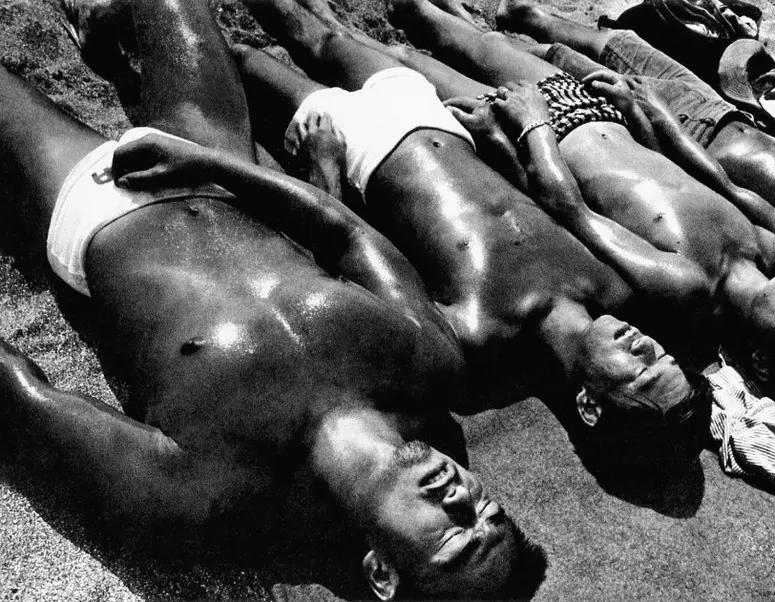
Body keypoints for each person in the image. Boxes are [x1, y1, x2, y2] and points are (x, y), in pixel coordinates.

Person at [0, 0, 548, 599]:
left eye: (454, 538)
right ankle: (102, 32)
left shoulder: (211, 491)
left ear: (381, 572)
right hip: (222, 166)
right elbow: (346, 235)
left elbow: (26, 396)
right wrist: (208, 163)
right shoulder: (428, 368)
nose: (462, 500)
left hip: (97, 207)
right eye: (488, 511)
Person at [218, 0, 718, 466]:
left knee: (238, 59)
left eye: (641, 372)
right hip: (444, 125)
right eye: (663, 354)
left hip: (359, 153)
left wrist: (323, 167)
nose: (645, 346)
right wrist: (501, 139)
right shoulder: (615, 286)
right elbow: (557, 202)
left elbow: (352, 261)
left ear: (590, 406)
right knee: (325, 35)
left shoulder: (478, 346)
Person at [364, 0, 775, 400]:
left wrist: (530, 125)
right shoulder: (771, 251)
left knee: (408, 57)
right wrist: (649, 115)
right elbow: (711, 178)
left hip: (547, 135)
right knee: (464, 36)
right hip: (600, 117)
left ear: (761, 360)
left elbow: (574, 215)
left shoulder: (689, 289)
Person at [492, 0, 775, 355]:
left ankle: (503, 38)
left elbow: (730, 189)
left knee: (587, 68)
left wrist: (661, 120)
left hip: (696, 138)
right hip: (735, 118)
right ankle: (527, 20)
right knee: (629, 49)